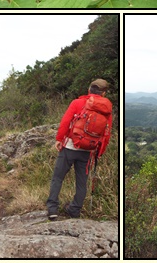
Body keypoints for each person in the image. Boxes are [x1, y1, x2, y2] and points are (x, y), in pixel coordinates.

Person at [46, 79, 112, 220]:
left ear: (89, 90)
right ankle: (74, 210)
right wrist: (99, 152)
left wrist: (59, 139)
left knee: (58, 177)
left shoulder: (77, 103)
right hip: (88, 151)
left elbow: (66, 121)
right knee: (81, 182)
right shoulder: (106, 110)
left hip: (70, 146)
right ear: (104, 93)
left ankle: (52, 209)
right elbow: (107, 133)